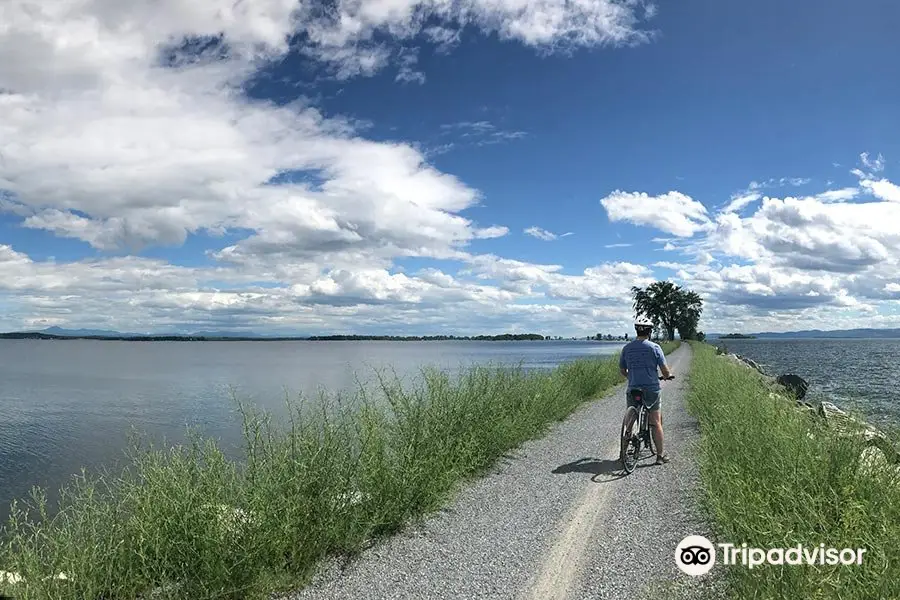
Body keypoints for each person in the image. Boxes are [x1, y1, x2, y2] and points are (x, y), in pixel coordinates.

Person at [619, 317, 674, 465]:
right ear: (650, 331)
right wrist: (667, 376)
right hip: (651, 388)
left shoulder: (627, 348)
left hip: (633, 388)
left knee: (630, 419)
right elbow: (665, 370)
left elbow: (623, 370)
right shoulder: (654, 347)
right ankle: (660, 456)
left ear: (636, 330)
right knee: (656, 422)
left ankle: (623, 451)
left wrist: (632, 377)